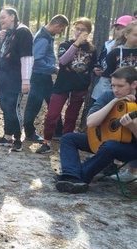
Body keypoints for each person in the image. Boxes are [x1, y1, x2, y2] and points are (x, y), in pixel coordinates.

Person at [56, 66, 137, 194]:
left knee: (110, 146)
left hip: (130, 148)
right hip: (102, 139)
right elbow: (91, 122)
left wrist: (132, 126)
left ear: (133, 84)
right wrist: (114, 101)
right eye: (113, 85)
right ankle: (72, 176)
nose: (115, 90)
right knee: (68, 138)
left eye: (120, 86)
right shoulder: (109, 96)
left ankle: (77, 177)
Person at [36, 18, 97, 154]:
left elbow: (92, 67)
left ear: (88, 32)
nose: (79, 32)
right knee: (52, 114)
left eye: (83, 30)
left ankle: (66, 143)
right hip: (62, 85)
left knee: (71, 117)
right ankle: (46, 142)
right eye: (77, 29)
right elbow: (63, 61)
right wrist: (76, 44)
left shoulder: (92, 49)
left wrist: (96, 70)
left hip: (80, 87)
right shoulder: (65, 44)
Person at [0, 6, 34, 151]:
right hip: (3, 78)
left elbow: (27, 57)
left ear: (12, 17)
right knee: (5, 107)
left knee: (13, 108)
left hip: (16, 79)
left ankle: (17, 139)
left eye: (3, 17)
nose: (0, 20)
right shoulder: (7, 34)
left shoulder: (23, 32)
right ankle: (7, 137)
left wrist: (26, 81)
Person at [23, 14, 69, 142]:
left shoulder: (47, 36)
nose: (61, 32)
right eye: (61, 29)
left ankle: (58, 131)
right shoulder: (43, 37)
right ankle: (29, 132)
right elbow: (37, 60)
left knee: (53, 102)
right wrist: (54, 69)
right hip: (38, 76)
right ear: (57, 25)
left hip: (44, 76)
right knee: (34, 104)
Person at [91, 15, 132, 102]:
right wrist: (97, 69)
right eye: (117, 29)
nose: (119, 32)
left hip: (126, 91)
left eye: (122, 28)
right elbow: (101, 61)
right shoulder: (108, 45)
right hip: (104, 88)